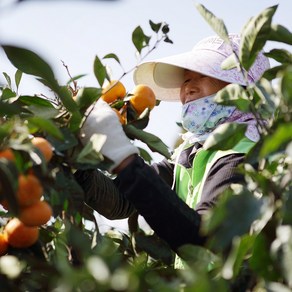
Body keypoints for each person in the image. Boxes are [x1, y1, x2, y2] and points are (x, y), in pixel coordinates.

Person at [76, 33, 270, 268]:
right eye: (186, 79)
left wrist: (123, 155)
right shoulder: (191, 154)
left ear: (241, 90)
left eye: (205, 75)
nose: (188, 87)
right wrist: (77, 163)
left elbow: (204, 240)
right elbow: (120, 202)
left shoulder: (245, 156)